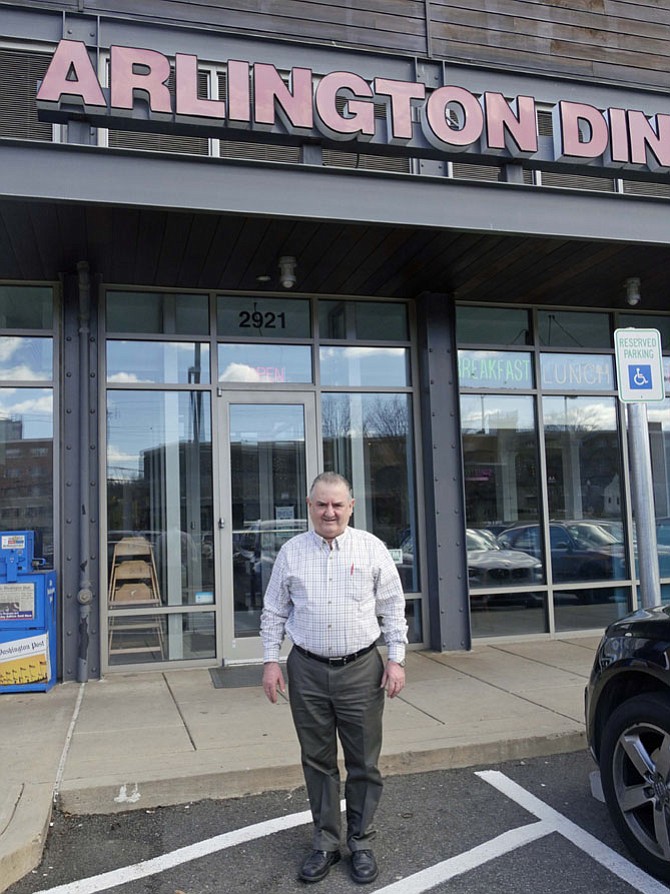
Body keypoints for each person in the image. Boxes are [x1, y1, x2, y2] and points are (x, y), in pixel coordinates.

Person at [261, 471, 408, 885]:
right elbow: (274, 612)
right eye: (321, 504)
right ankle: (325, 842)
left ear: (351, 506)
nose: (330, 512)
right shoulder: (291, 552)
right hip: (306, 670)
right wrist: (271, 662)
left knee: (364, 762)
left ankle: (360, 841)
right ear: (309, 506)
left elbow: (393, 609)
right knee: (318, 761)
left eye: (337, 505)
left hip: (362, 670)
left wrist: (396, 660)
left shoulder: (372, 548)